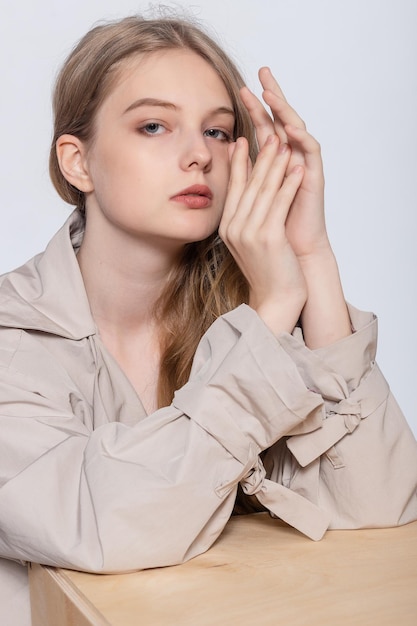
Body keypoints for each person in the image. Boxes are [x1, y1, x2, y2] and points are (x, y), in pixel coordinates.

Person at [1, 14, 416, 626]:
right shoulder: (14, 334)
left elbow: (381, 505)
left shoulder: (247, 322)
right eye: (153, 125)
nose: (198, 155)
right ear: (78, 162)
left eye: (219, 133)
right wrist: (271, 312)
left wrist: (310, 256)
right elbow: (107, 525)